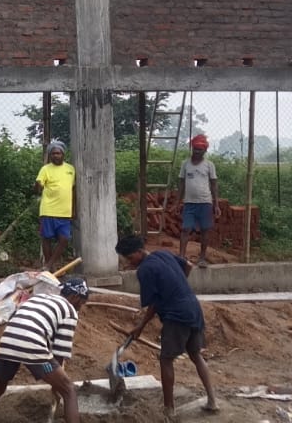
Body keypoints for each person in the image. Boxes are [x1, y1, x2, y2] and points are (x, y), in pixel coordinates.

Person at [116, 235, 218, 417]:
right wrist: (177, 286)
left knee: (166, 360)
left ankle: (169, 409)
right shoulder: (163, 254)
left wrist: (141, 326)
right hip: (193, 308)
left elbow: (154, 303)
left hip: (176, 315)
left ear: (139, 251)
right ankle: (212, 401)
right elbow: (188, 265)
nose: (130, 263)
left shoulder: (145, 270)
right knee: (195, 354)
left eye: (130, 258)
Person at [0, 277, 90, 423]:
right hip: (32, 345)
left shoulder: (38, 298)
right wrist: (58, 384)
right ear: (75, 297)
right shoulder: (69, 311)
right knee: (69, 390)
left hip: (7, 343)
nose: (81, 307)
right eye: (82, 302)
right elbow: (59, 353)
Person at [177, 134, 221, 268]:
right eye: (195, 149)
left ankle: (202, 258)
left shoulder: (209, 165)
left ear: (205, 150)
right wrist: (178, 202)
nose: (197, 151)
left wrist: (216, 205)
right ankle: (181, 257)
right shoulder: (185, 164)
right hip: (189, 203)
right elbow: (181, 184)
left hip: (205, 202)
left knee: (205, 230)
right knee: (186, 229)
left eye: (200, 149)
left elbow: (214, 184)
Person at [35, 139, 76, 270]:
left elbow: (73, 190)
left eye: (58, 153)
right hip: (48, 210)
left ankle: (49, 264)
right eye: (53, 153)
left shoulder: (70, 169)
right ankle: (49, 267)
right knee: (46, 238)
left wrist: (74, 209)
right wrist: (37, 185)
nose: (56, 156)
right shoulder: (45, 169)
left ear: (63, 154)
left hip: (64, 211)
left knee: (64, 238)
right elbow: (38, 187)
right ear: (50, 155)